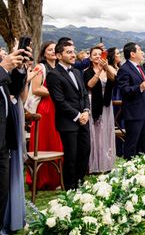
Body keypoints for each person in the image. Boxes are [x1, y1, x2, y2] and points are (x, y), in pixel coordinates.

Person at [46, 41, 91, 190]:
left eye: (73, 51)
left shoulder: (77, 72)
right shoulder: (53, 74)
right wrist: (78, 115)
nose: (73, 54)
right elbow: (59, 101)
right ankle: (70, 187)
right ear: (59, 55)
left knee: (85, 151)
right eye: (69, 52)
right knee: (71, 156)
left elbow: (84, 94)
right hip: (68, 121)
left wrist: (86, 111)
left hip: (83, 119)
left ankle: (80, 182)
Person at [0, 47, 28, 235]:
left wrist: (19, 69)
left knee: (1, 191)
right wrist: (3, 68)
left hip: (3, 140)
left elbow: (14, 91)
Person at [25, 41, 63, 190]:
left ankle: (57, 177)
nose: (53, 52)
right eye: (49, 49)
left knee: (57, 140)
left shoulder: (59, 68)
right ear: (44, 52)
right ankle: (44, 178)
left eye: (55, 49)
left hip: (58, 106)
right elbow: (35, 89)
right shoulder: (40, 67)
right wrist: (56, 92)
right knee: (46, 140)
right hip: (46, 108)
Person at [116, 43, 145, 159]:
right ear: (132, 54)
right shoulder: (124, 69)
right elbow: (124, 90)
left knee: (144, 144)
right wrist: (140, 87)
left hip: (144, 111)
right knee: (132, 145)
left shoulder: (140, 67)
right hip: (134, 113)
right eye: (139, 50)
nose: (142, 52)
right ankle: (129, 171)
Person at [83, 46, 116, 173]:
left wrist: (106, 68)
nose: (97, 56)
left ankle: (106, 162)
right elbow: (89, 85)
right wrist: (98, 72)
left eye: (99, 54)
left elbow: (113, 79)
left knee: (106, 131)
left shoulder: (107, 69)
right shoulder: (87, 71)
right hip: (93, 103)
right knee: (95, 132)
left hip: (106, 104)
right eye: (95, 54)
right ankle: (94, 164)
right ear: (90, 58)